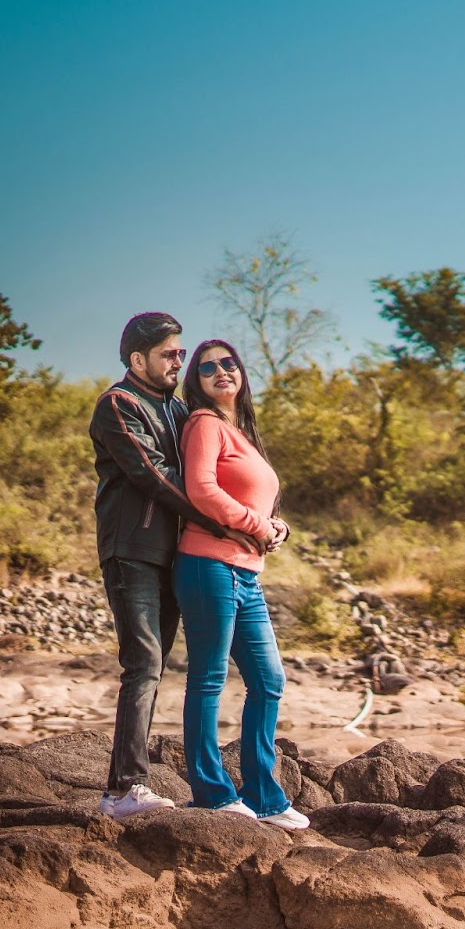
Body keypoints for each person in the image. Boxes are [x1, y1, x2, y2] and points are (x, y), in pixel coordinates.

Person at [90, 312, 260, 819]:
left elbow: (220, 467)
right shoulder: (117, 404)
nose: (178, 361)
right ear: (137, 359)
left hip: (176, 555)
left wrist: (253, 518)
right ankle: (122, 791)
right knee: (142, 664)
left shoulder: (181, 409)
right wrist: (229, 523)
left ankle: (138, 784)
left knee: (159, 665)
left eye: (181, 353)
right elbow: (156, 476)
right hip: (132, 551)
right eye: (169, 354)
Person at [174, 338, 309, 829]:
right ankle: (212, 793)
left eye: (228, 363)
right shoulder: (204, 423)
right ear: (197, 382)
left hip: (246, 574)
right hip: (208, 566)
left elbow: (261, 506)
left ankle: (265, 798)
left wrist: (279, 527)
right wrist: (258, 525)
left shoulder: (241, 431)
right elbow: (201, 490)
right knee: (208, 679)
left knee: (268, 679)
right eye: (207, 367)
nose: (220, 371)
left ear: (241, 372)